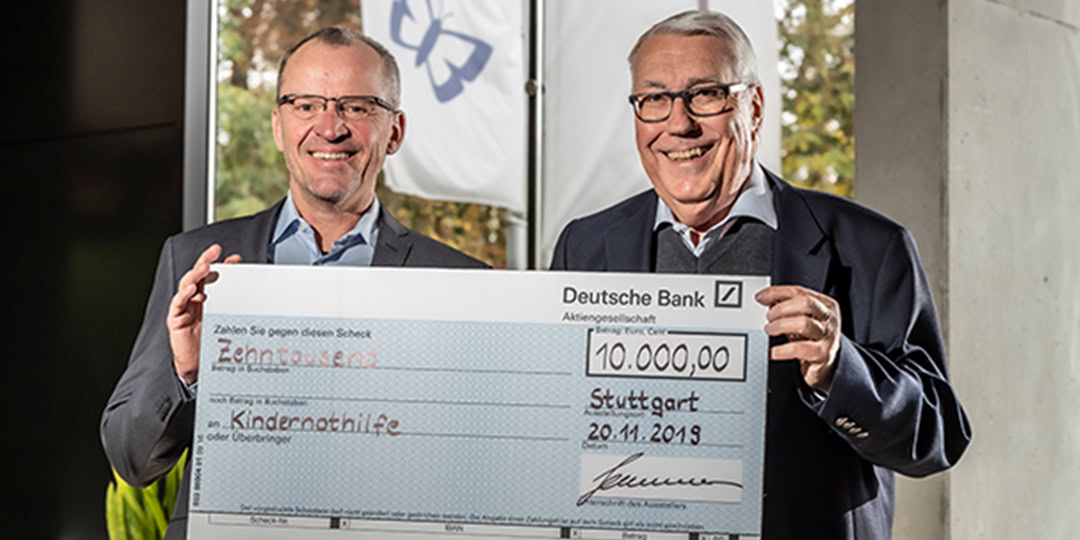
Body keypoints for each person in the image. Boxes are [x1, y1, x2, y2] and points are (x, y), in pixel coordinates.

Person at [550, 10, 971, 539]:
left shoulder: (869, 247)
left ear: (753, 108)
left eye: (706, 94)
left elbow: (937, 437)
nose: (678, 124)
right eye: (654, 99)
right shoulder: (586, 245)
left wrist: (839, 367)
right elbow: (555, 422)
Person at [101, 26, 486, 539]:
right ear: (278, 127)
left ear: (395, 131)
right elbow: (132, 458)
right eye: (306, 106)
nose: (330, 128)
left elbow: (479, 469)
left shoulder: (461, 284)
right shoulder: (194, 261)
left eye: (356, 106)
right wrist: (186, 372)